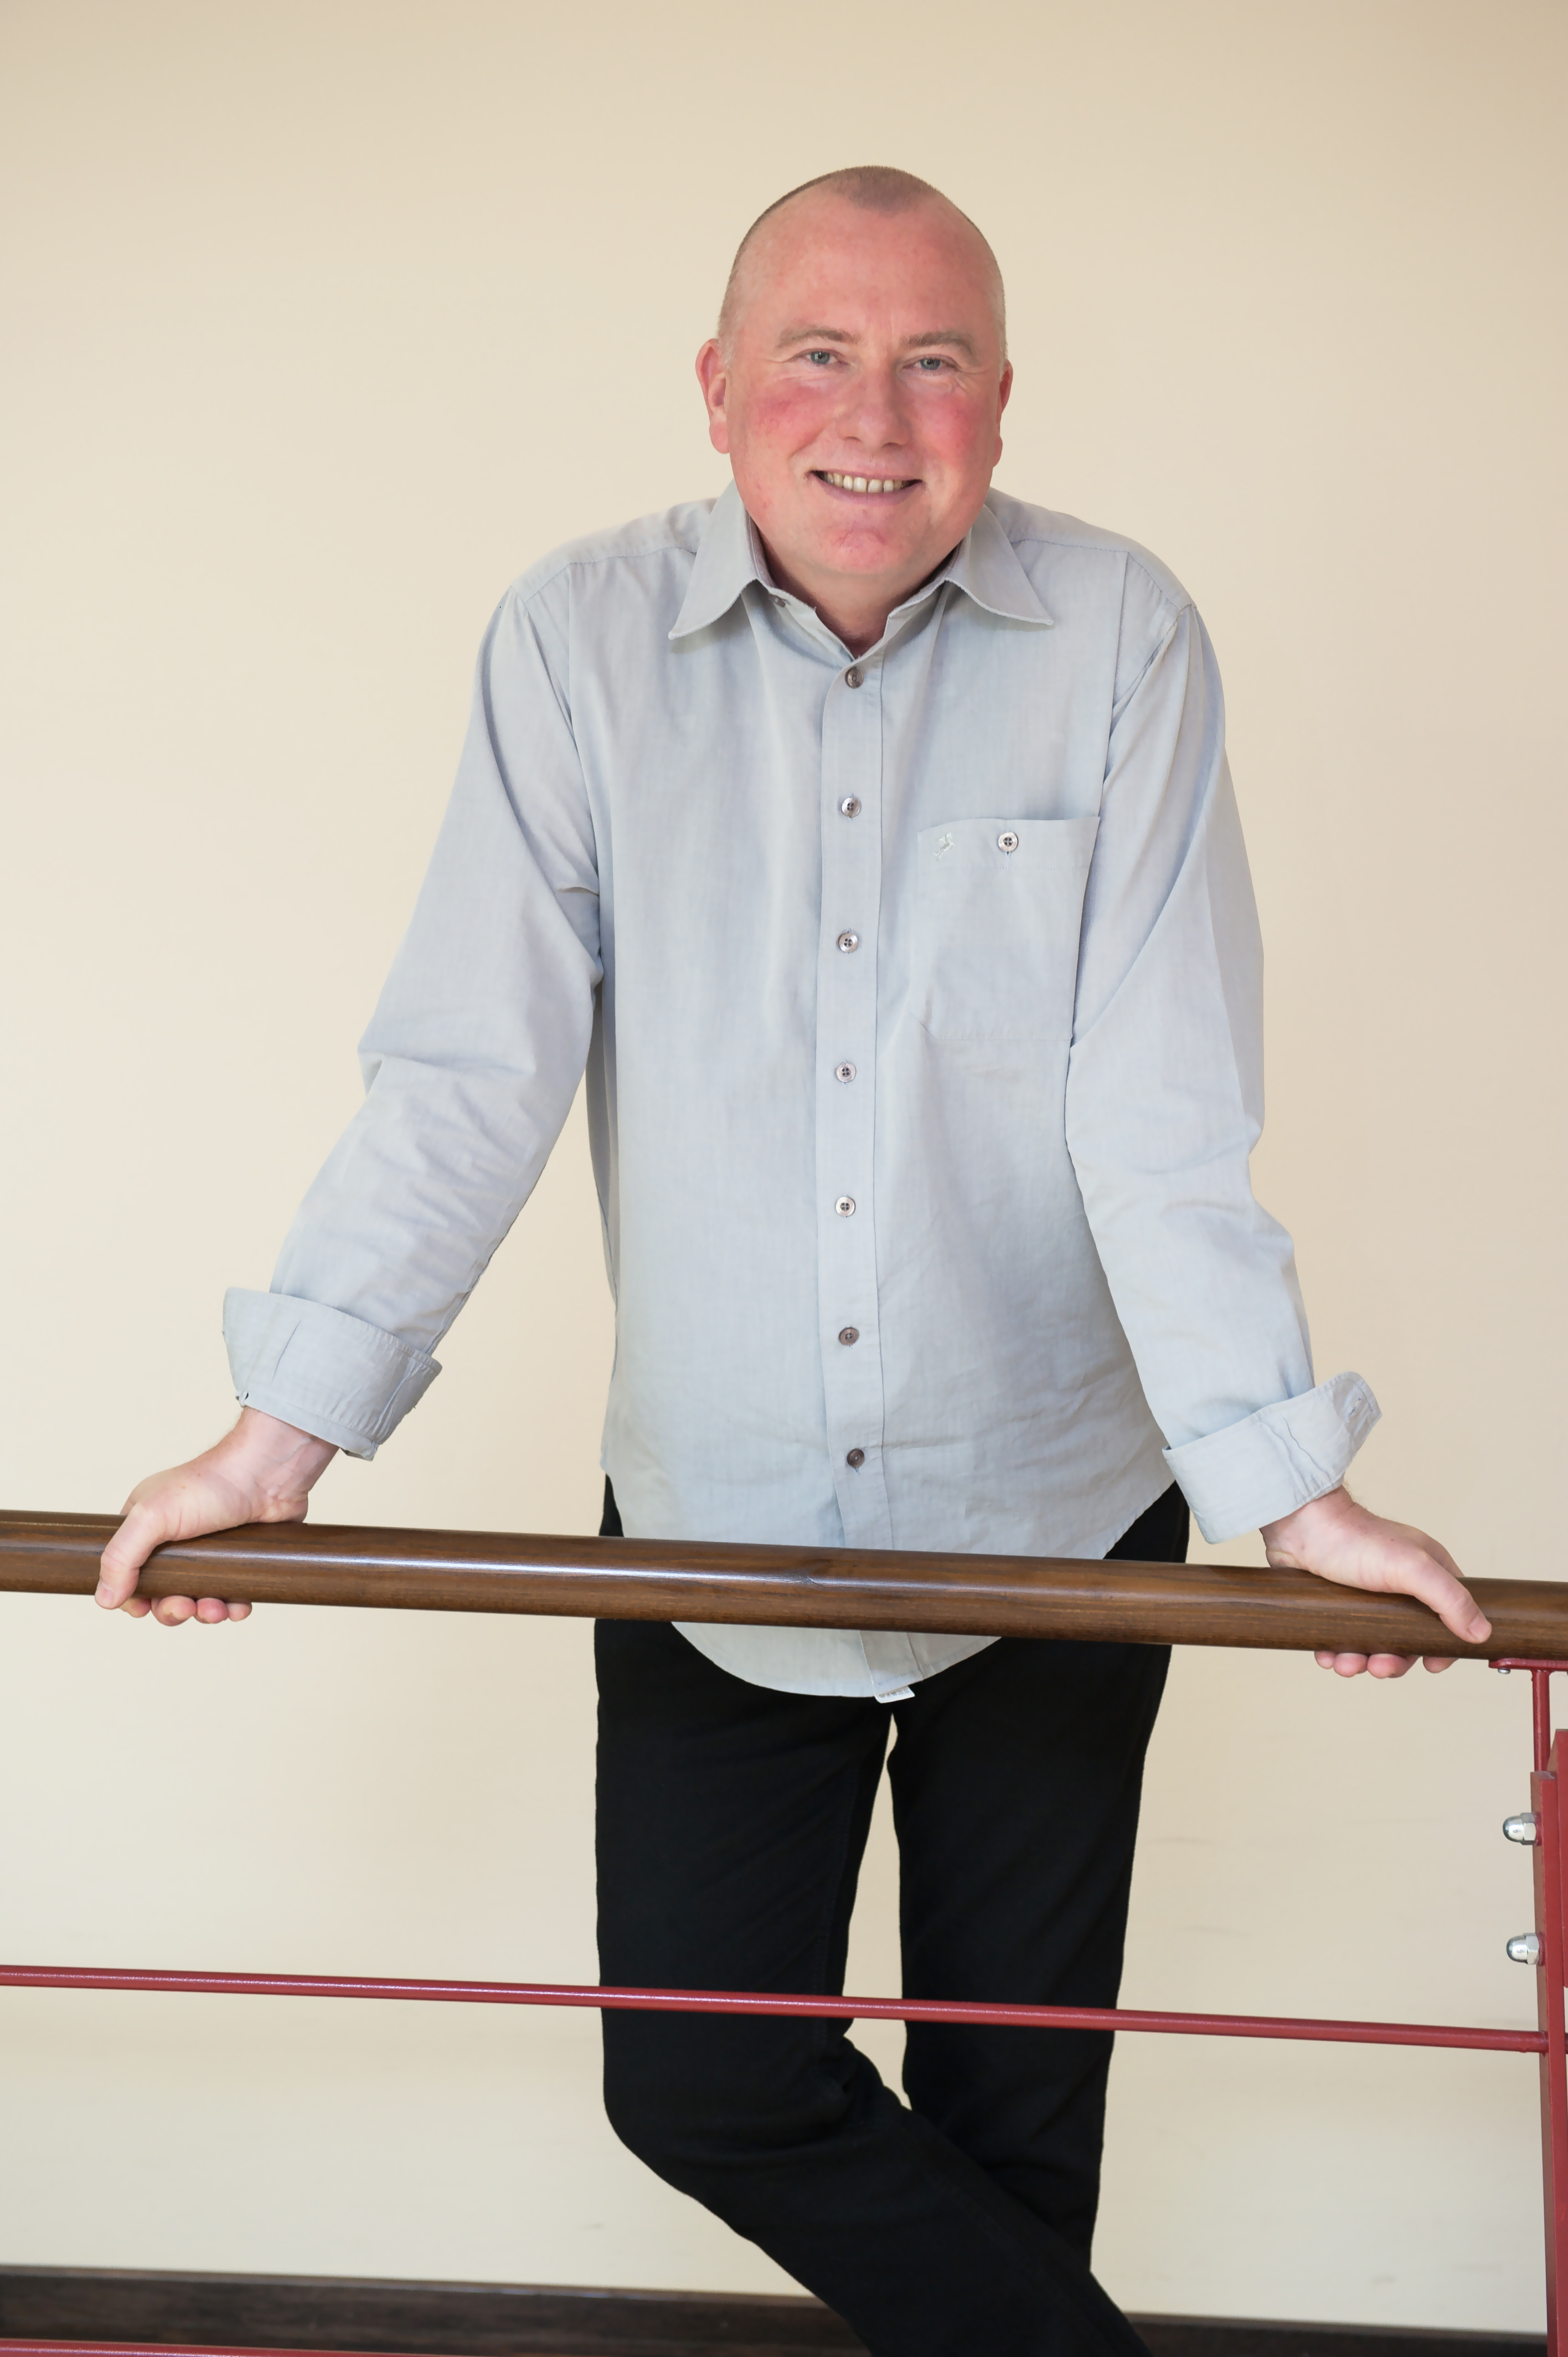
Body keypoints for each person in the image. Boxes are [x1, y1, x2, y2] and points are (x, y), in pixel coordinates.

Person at [98, 168, 1487, 2355]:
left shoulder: (1124, 636)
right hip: (713, 1521)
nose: (875, 416)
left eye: (934, 361)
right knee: (703, 2078)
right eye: (819, 355)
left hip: (1057, 1525)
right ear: (719, 385)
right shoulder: (571, 643)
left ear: (1003, 399)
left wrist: (1286, 1484)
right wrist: (281, 1439)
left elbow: (1164, 1099)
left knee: (1017, 2135)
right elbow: (469, 1066)